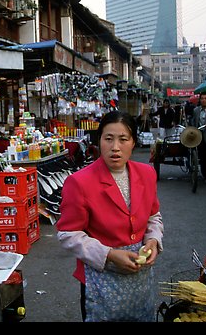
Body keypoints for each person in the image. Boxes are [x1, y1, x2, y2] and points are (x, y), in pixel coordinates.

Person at [56, 110, 164, 322]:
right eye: (108, 139)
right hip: (100, 279)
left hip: (139, 279)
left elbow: (153, 216)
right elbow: (68, 234)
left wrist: (153, 239)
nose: (115, 147)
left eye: (123, 139)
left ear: (133, 142)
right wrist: (109, 255)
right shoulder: (79, 182)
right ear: (99, 142)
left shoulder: (147, 173)